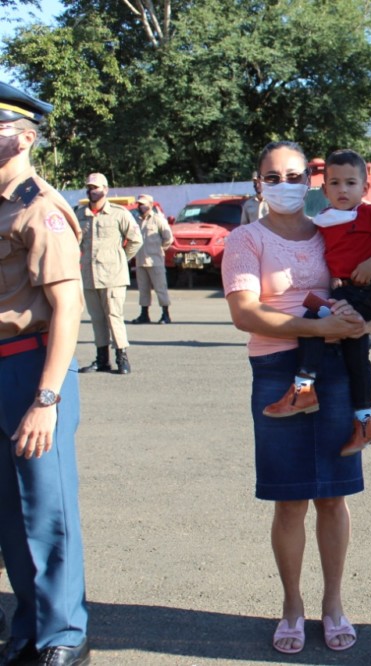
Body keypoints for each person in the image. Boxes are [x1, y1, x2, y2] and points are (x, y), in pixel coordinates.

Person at [222, 140, 371, 655]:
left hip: (336, 370)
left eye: (296, 176)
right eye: (274, 177)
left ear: (310, 182)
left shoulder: (331, 231)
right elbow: (245, 313)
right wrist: (314, 329)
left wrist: (363, 322)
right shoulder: (245, 239)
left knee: (333, 496)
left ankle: (333, 604)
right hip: (276, 369)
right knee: (290, 500)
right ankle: (292, 605)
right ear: (258, 183)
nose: (286, 185)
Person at [0, 81, 91, 666]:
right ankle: (29, 629)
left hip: (32, 367)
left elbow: (68, 305)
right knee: (11, 511)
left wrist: (47, 397)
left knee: (46, 507)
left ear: (23, 136)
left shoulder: (41, 205)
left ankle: (64, 635)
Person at [262, 149, 371, 456]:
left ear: (364, 188)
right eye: (335, 183)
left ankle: (303, 387)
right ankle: (366, 421)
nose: (342, 190)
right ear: (324, 189)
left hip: (367, 294)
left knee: (312, 315)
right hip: (343, 293)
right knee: (356, 356)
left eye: (351, 183)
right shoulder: (323, 221)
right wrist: (337, 277)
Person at [76, 171, 141, 375]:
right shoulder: (80, 214)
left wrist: (121, 259)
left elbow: (135, 240)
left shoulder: (118, 213)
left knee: (114, 316)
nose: (91, 190)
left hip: (113, 275)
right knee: (96, 318)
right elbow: (74, 242)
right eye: (89, 187)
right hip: (89, 275)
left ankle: (122, 357)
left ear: (106, 189)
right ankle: (102, 359)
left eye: (95, 187)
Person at [130, 193, 174, 325]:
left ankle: (165, 314)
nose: (141, 206)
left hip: (155, 260)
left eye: (144, 203)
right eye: (139, 204)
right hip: (140, 260)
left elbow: (168, 238)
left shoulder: (158, 220)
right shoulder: (136, 221)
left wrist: (160, 250)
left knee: (160, 288)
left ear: (150, 204)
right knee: (143, 289)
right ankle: (144, 314)